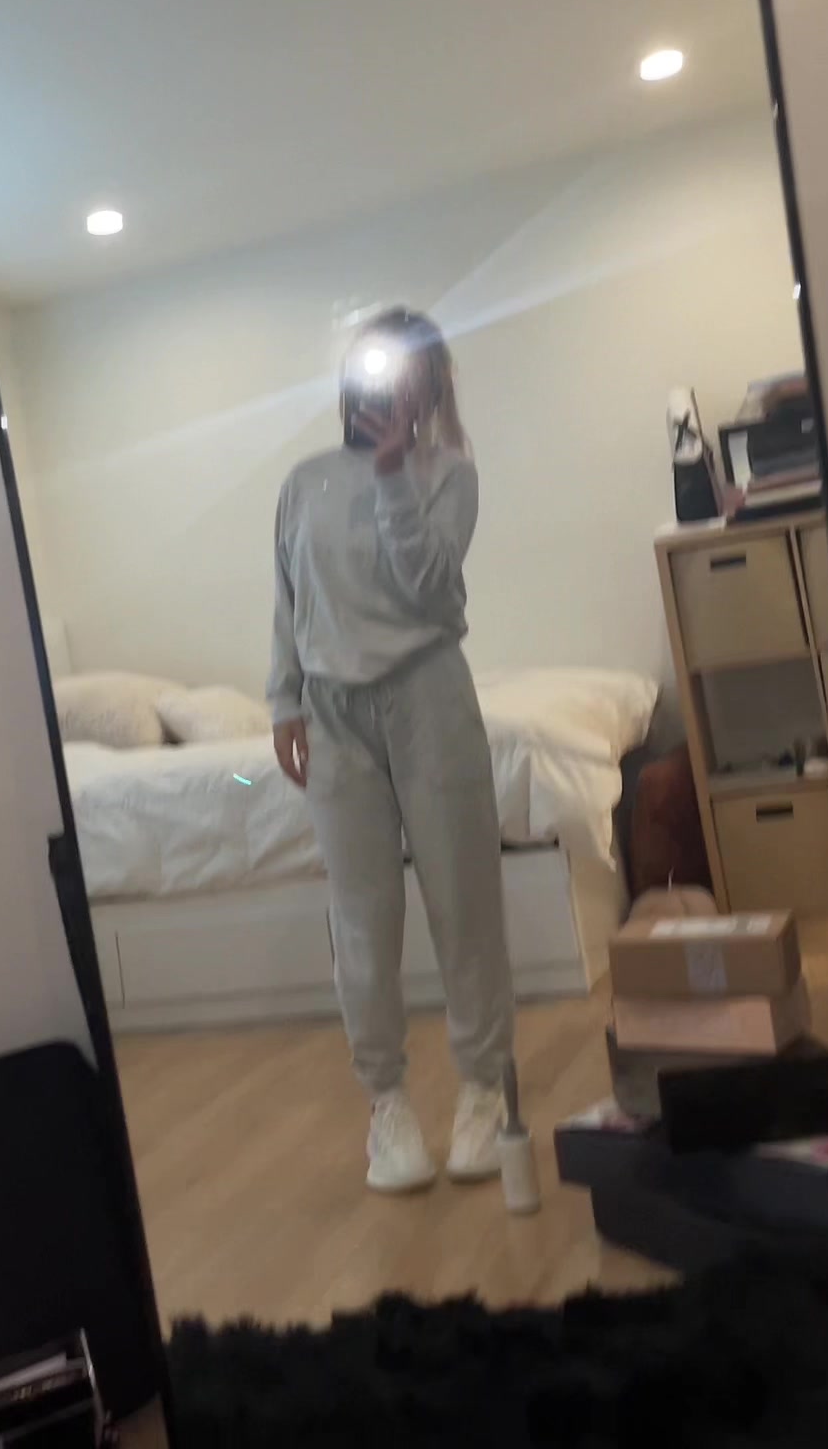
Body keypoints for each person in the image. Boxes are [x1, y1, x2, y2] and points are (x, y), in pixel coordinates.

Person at [268, 307, 515, 1193]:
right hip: (333, 717)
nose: (389, 389)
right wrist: (283, 699)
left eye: (410, 374)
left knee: (464, 903)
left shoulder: (451, 475)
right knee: (360, 921)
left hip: (427, 697)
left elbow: (432, 589)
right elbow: (289, 599)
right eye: (376, 371)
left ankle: (484, 1090)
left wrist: (392, 477)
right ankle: (388, 1106)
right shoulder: (302, 483)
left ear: (433, 387)